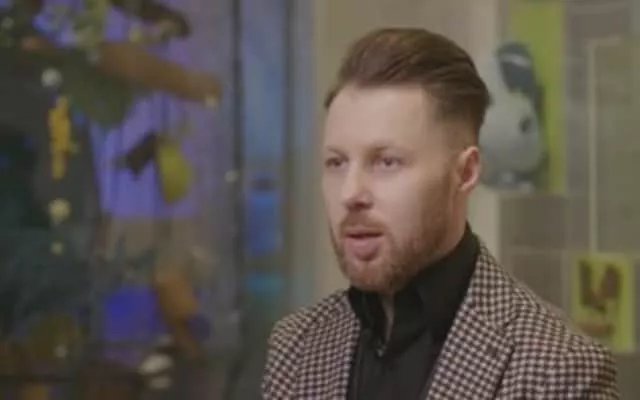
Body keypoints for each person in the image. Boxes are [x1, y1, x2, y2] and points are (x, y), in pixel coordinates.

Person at [262, 28, 619, 399]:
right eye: (336, 162)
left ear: (464, 173)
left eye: (386, 162)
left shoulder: (558, 370)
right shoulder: (297, 346)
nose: (350, 193)